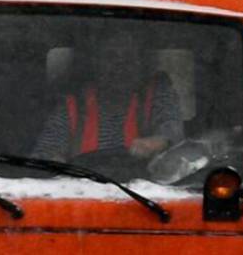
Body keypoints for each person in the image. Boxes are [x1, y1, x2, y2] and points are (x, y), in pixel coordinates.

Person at [33, 28, 182, 162]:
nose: (120, 66)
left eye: (128, 58)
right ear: (96, 64)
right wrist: (55, 162)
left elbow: (172, 132)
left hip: (147, 191)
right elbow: (44, 154)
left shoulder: (158, 97)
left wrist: (158, 142)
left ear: (141, 65)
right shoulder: (72, 107)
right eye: (111, 57)